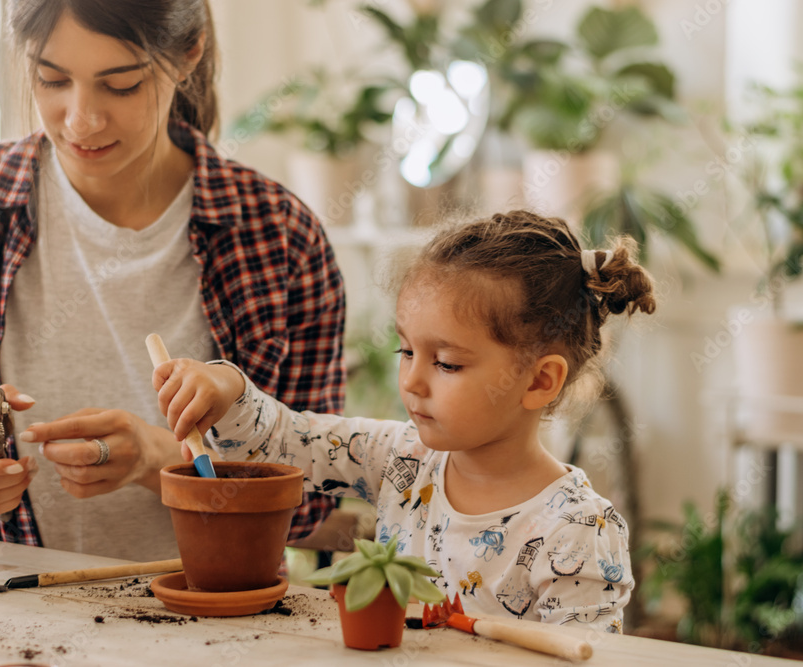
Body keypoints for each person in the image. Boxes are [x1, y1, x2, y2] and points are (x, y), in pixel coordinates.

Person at [0, 0, 344, 562]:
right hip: (1, 616)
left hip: (207, 617)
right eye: (52, 79)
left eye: (121, 85)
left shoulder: (279, 236)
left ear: (187, 55)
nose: (81, 119)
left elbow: (313, 497)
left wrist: (155, 460)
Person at [152, 210, 656, 631]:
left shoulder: (578, 529)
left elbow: (583, 657)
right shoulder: (401, 460)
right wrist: (227, 388)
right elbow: (280, 441)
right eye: (406, 349)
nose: (412, 380)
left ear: (539, 381)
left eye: (447, 363)